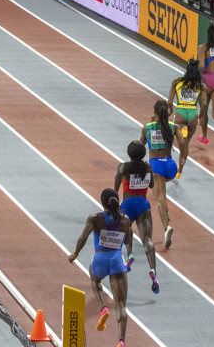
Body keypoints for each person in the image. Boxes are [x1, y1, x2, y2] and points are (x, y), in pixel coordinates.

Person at [68, 188, 132, 347]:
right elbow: (127, 241)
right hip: (117, 260)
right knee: (121, 305)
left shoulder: (95, 218)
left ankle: (103, 307)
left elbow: (83, 237)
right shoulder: (125, 220)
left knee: (94, 279)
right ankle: (121, 341)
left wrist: (75, 254)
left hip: (100, 260)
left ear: (102, 202)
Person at [139, 100, 188, 249]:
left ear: (154, 112)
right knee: (157, 189)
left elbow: (140, 148)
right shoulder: (174, 127)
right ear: (167, 113)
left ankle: (166, 227)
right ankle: (164, 213)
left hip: (156, 166)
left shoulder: (147, 128)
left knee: (161, 199)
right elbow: (183, 145)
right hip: (170, 166)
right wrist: (182, 161)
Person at [114, 141, 159, 294]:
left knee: (126, 230)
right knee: (147, 240)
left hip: (127, 204)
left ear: (129, 154)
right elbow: (152, 185)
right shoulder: (148, 167)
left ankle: (130, 252)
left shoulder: (123, 167)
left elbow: (115, 189)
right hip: (143, 204)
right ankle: (153, 269)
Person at [168, 58, 204, 153]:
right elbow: (204, 104)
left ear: (186, 68)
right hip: (193, 113)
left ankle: (181, 160)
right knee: (186, 142)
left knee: (181, 141)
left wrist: (170, 110)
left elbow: (169, 102)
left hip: (180, 112)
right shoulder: (200, 85)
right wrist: (201, 116)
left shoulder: (177, 82)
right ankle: (182, 164)